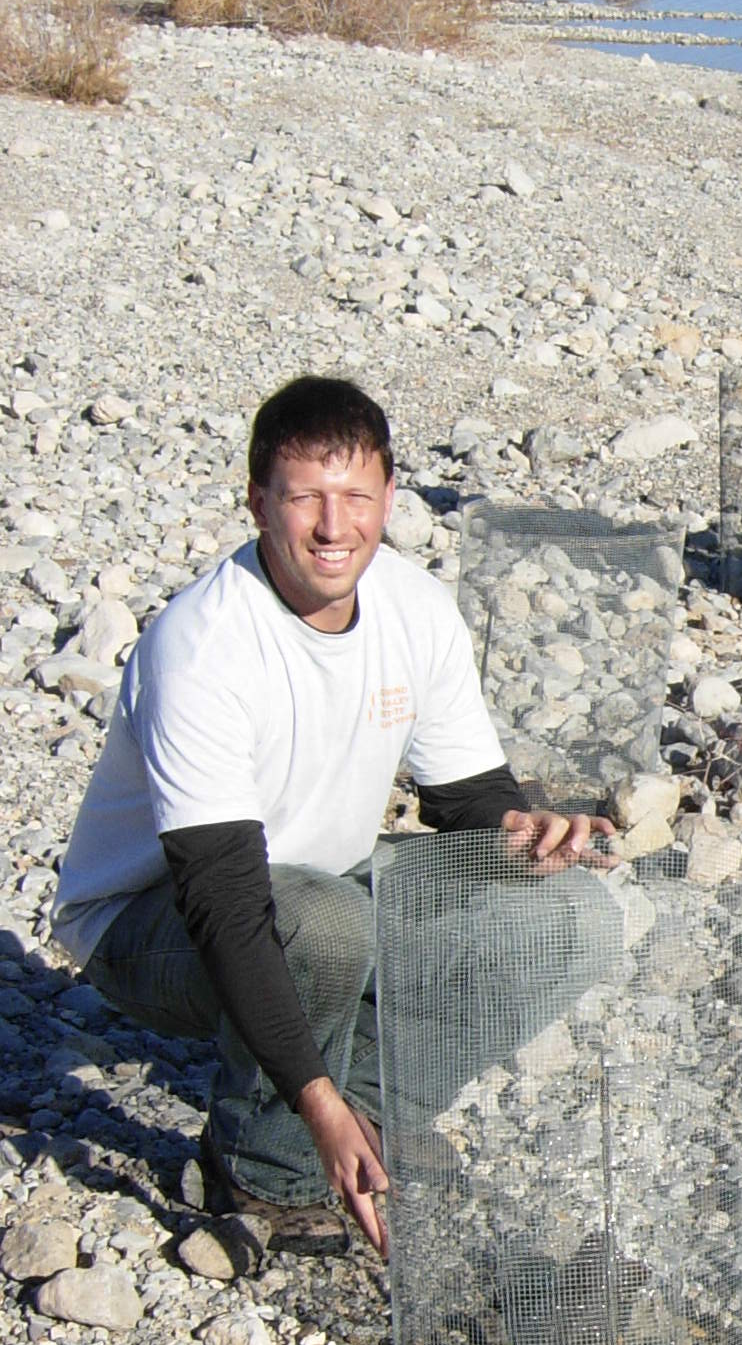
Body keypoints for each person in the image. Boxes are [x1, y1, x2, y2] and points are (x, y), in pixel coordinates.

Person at [51, 375, 599, 1255]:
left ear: (390, 497)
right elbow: (225, 904)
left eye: (355, 497)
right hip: (150, 924)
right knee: (326, 926)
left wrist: (524, 834)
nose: (334, 527)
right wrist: (312, 1099)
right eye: (305, 496)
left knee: (570, 917)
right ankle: (263, 1171)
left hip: (328, 882)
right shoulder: (202, 646)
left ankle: (371, 1121)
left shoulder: (413, 606)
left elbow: (466, 800)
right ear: (259, 502)